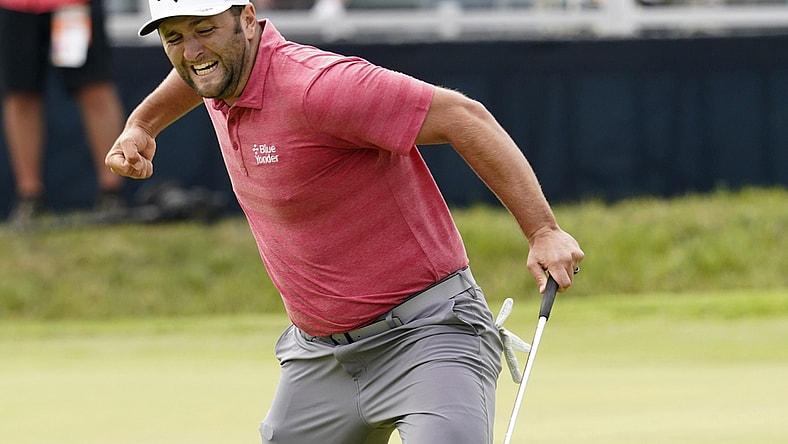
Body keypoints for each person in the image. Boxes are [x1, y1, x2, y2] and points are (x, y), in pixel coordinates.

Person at [106, 1, 584, 442]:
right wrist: (142, 125)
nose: (191, 51)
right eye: (173, 38)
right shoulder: (217, 71)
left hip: (426, 336)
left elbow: (465, 117)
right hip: (318, 357)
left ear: (248, 20)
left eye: (204, 30)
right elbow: (193, 72)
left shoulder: (320, 86)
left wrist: (542, 231)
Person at [0, 0, 126, 226]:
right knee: (20, 94)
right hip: (14, 6)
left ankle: (112, 193)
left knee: (94, 88)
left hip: (73, 4)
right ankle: (29, 198)